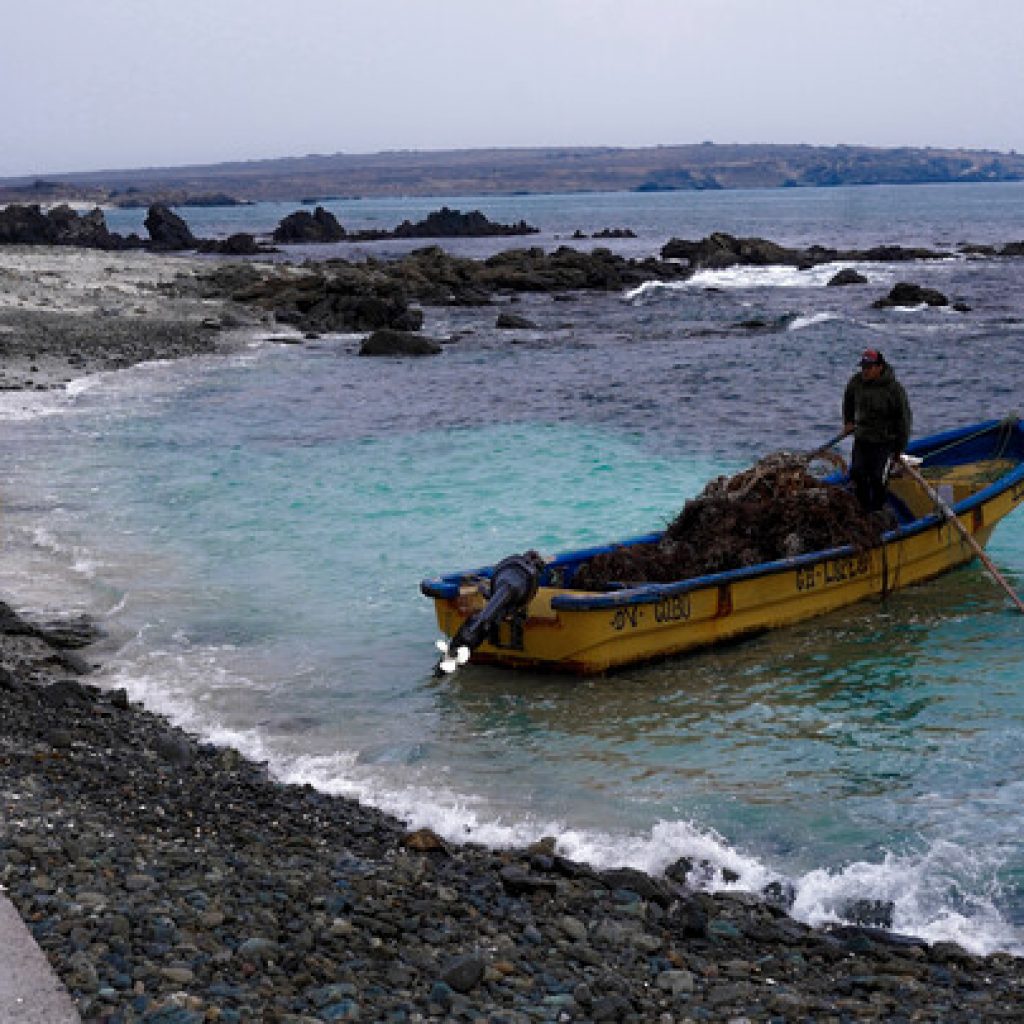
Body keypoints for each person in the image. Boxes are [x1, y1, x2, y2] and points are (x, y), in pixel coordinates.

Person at [842, 347, 912, 512]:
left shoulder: (894, 389)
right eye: (863, 367)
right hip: (862, 438)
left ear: (879, 367)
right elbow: (848, 401)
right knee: (857, 473)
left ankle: (878, 509)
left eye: (869, 368)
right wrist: (848, 421)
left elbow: (903, 419)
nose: (865, 371)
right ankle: (863, 508)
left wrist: (899, 448)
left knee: (877, 478)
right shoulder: (856, 382)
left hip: (884, 441)